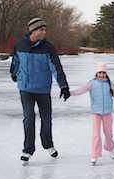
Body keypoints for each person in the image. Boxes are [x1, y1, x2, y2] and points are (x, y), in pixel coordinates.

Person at [10, 17, 70, 164]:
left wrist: (63, 86)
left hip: (43, 89)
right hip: (25, 88)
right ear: (33, 31)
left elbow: (56, 67)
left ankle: (48, 144)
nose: (44, 32)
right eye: (41, 29)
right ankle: (28, 150)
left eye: (45, 29)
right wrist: (13, 72)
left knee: (46, 119)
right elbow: (16, 61)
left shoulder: (48, 47)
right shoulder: (19, 45)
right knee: (28, 118)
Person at [70, 61, 114, 165]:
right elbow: (82, 89)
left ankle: (110, 148)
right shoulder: (92, 83)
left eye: (103, 72)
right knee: (96, 135)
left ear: (106, 73)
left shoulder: (109, 83)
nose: (101, 75)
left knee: (108, 133)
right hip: (96, 112)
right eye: (100, 72)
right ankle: (95, 155)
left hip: (107, 112)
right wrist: (70, 93)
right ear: (96, 73)